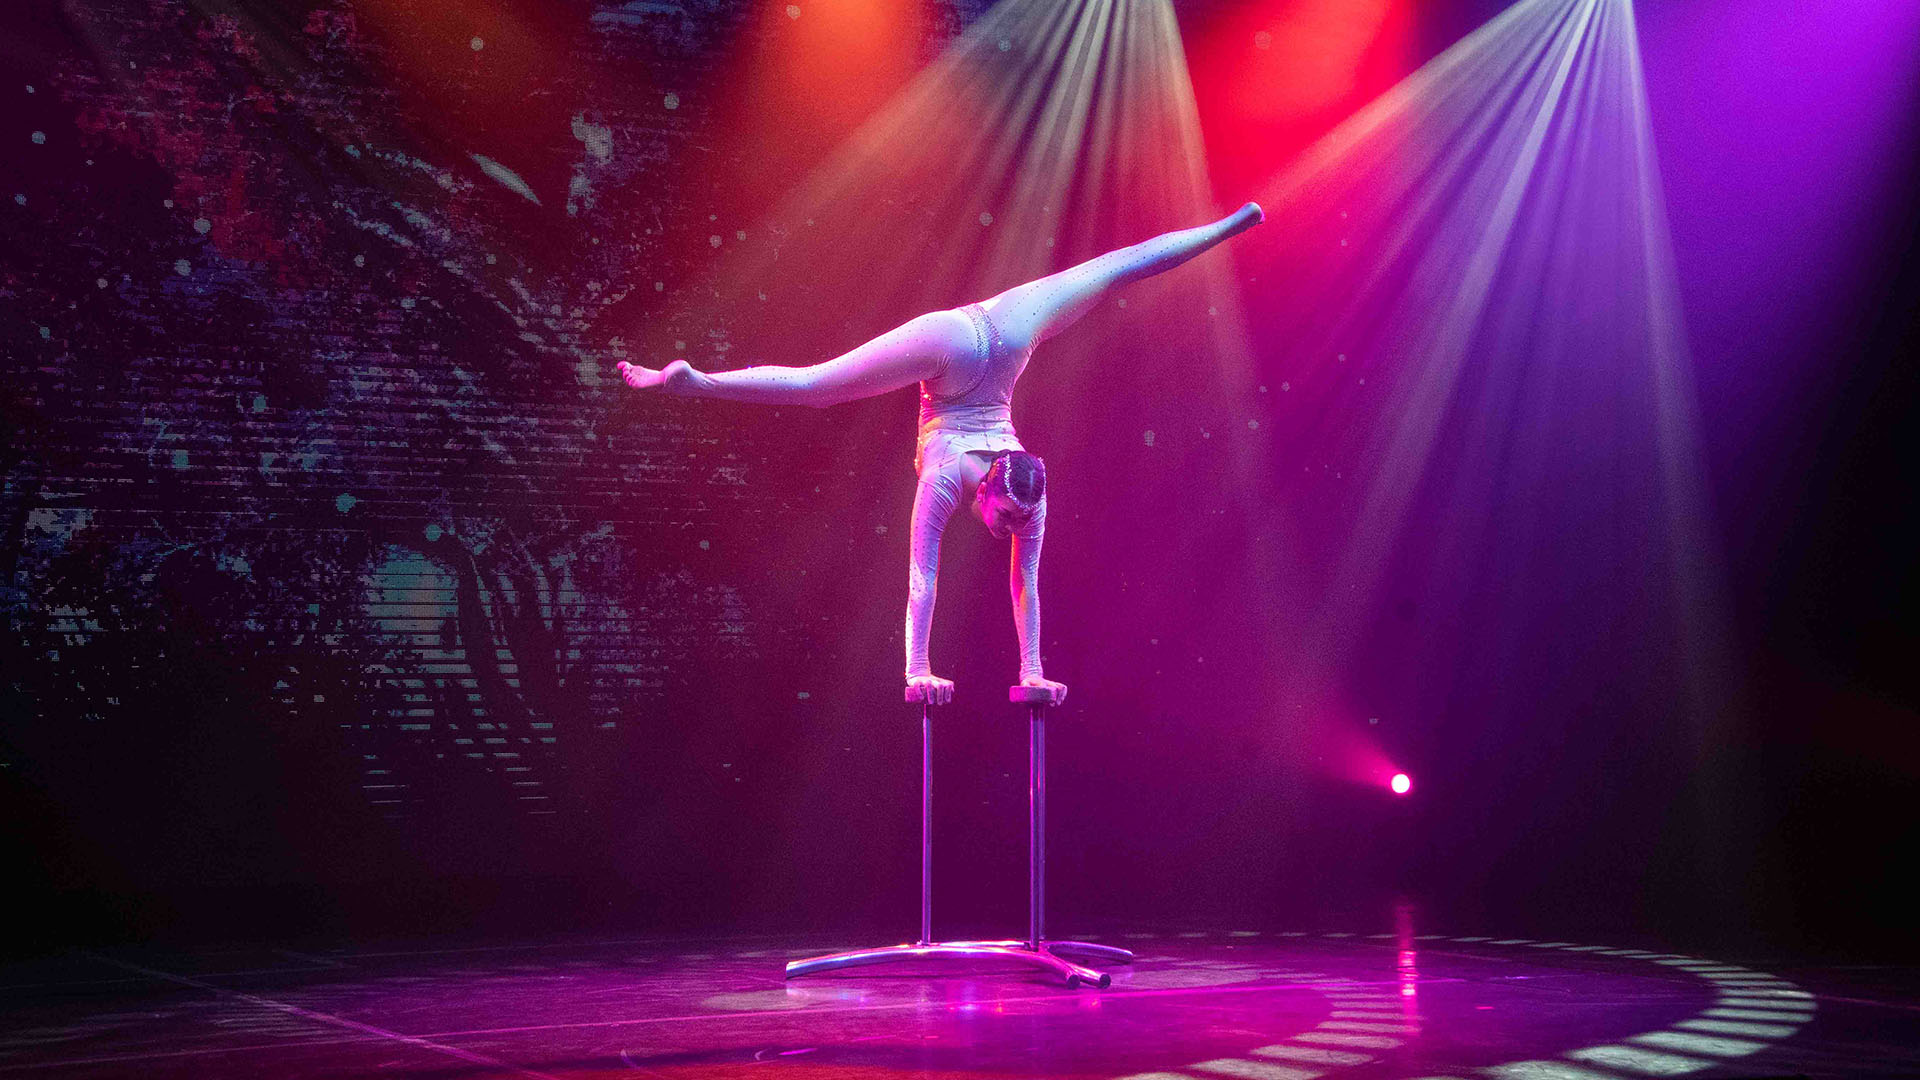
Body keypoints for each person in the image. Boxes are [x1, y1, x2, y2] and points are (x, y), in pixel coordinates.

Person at [619, 201, 1264, 707]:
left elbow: (1026, 582)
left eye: (1016, 521)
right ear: (987, 489)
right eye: (1006, 518)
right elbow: (922, 577)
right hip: (956, 349)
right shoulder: (947, 481)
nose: (1010, 529)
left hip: (1003, 329)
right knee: (819, 386)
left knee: (1112, 270)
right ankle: (699, 382)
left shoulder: (1031, 495)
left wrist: (1032, 671)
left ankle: (1232, 226)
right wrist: (918, 668)